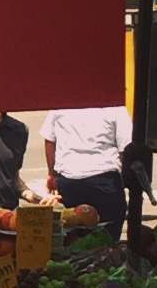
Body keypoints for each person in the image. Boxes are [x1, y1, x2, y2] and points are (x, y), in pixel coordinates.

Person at [40, 100, 134, 243]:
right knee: (108, 238)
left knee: (73, 239)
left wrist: (51, 173)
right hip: (104, 179)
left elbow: (49, 140)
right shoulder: (115, 106)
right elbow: (125, 149)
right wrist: (126, 180)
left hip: (69, 180)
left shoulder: (62, 103)